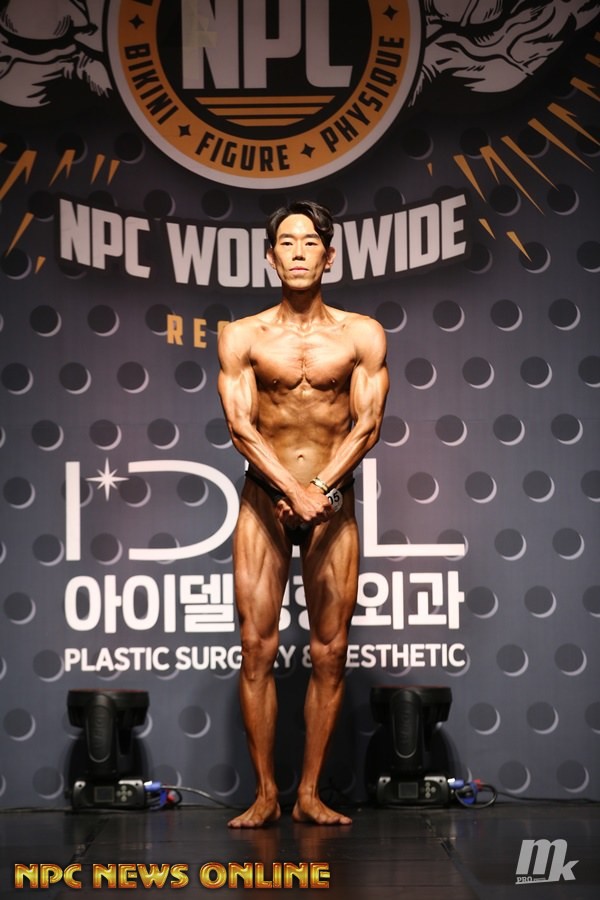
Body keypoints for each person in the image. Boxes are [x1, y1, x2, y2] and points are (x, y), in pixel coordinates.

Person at [217, 200, 389, 827]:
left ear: (329, 255)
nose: (297, 251)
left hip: (331, 501)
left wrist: (318, 488)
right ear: (270, 258)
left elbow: (367, 425)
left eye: (309, 241)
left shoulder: (361, 335)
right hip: (265, 499)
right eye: (285, 243)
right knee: (255, 647)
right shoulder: (242, 336)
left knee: (330, 651)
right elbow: (240, 427)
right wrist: (292, 486)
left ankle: (310, 793)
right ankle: (266, 793)